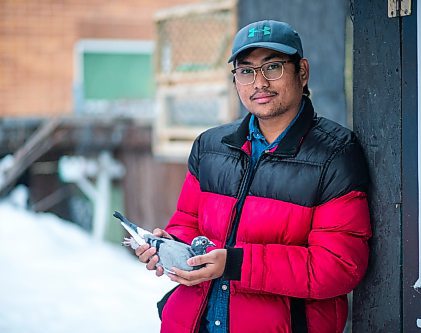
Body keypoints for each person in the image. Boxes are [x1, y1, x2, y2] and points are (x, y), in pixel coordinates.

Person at [135, 19, 371, 333]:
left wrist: (236, 264)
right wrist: (170, 246)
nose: (258, 83)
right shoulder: (210, 147)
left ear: (302, 71)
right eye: (246, 71)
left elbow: (339, 266)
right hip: (192, 322)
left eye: (272, 67)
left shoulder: (335, 153)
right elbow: (186, 223)